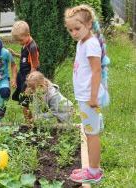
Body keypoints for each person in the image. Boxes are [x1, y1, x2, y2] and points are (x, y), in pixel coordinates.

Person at [64, 4, 111, 183]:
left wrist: (93, 97)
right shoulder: (82, 42)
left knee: (91, 134)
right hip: (84, 96)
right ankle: (92, 167)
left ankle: (94, 172)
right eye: (70, 30)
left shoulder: (90, 44)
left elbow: (97, 71)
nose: (74, 33)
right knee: (89, 130)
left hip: (88, 97)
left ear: (89, 24)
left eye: (77, 28)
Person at [8, 20, 40, 122]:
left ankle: (29, 122)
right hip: (22, 75)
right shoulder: (25, 44)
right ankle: (29, 121)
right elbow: (25, 58)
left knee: (24, 101)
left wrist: (29, 84)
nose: (19, 43)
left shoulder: (32, 47)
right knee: (22, 99)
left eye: (20, 40)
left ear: (28, 35)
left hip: (28, 77)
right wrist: (15, 54)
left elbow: (34, 66)